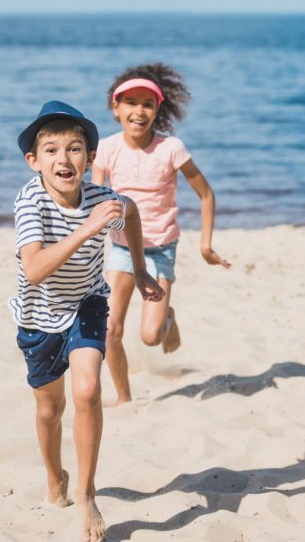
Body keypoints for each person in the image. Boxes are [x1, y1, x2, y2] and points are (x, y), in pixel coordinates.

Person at [9, 100, 164, 541]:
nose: (64, 158)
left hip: (87, 304)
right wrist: (88, 229)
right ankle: (54, 476)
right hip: (38, 316)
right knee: (49, 409)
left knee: (89, 390)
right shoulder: (29, 200)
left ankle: (87, 492)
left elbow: (129, 212)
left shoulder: (100, 197)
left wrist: (138, 269)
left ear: (90, 158)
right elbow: (36, 269)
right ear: (34, 161)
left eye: (75, 148)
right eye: (52, 150)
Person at [92, 63, 231, 405]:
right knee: (110, 330)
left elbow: (206, 194)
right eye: (131, 102)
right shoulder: (107, 149)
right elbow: (93, 201)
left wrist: (206, 244)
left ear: (157, 110)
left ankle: (167, 315)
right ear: (116, 107)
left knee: (151, 336)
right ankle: (125, 398)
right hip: (123, 250)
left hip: (161, 249)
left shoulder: (171, 148)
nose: (139, 111)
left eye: (147, 104)